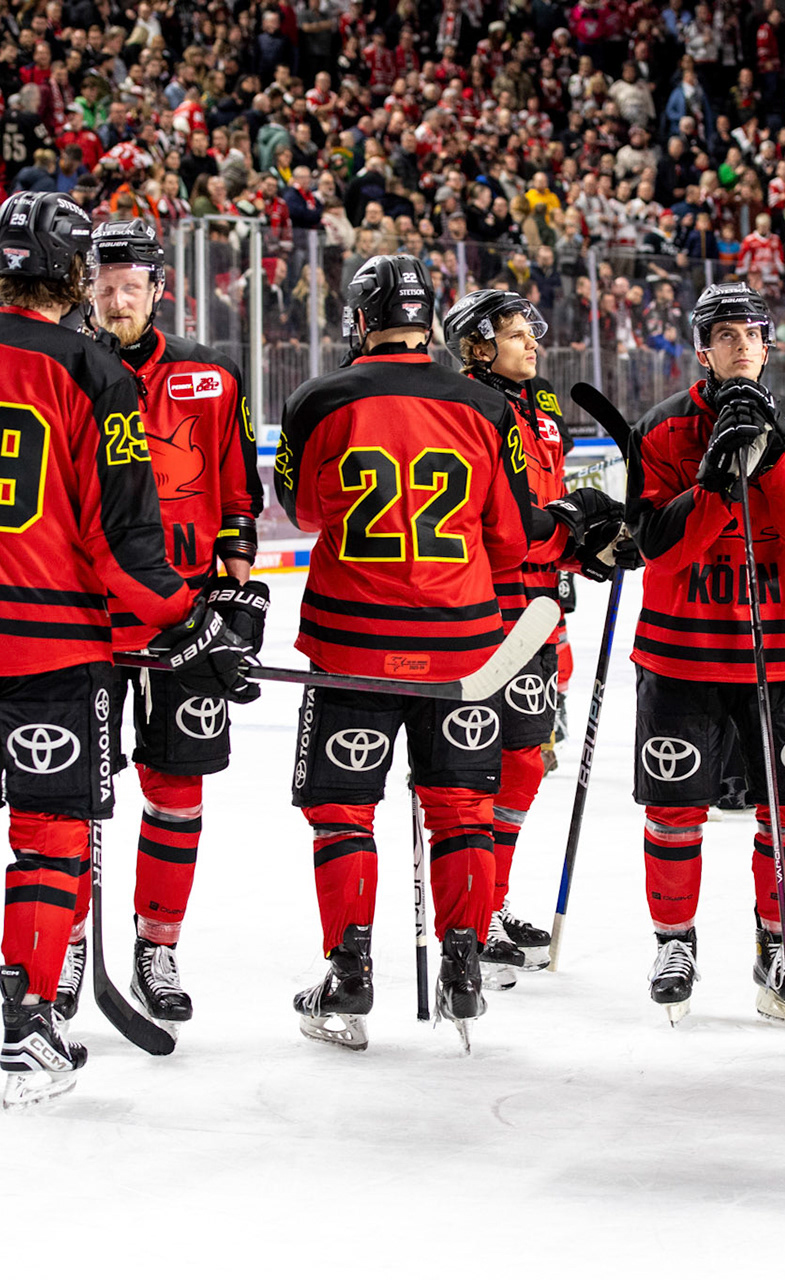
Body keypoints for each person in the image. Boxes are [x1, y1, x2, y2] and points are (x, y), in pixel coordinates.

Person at [0, 190, 242, 1108]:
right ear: (73, 273)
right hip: (52, 649)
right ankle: (29, 1024)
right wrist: (190, 620)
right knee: (47, 839)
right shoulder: (91, 371)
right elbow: (122, 544)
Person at [275, 254, 536, 1052]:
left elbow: (303, 509)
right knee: (461, 808)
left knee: (342, 809)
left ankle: (350, 972)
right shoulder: (488, 405)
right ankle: (462, 969)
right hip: (461, 648)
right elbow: (514, 534)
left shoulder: (318, 399)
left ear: (359, 319)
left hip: (350, 644)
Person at [48, 217, 267, 1031]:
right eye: (102, 289)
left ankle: (156, 945)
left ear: (157, 290)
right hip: (87, 616)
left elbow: (238, 492)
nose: (114, 301)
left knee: (177, 789)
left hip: (185, 615)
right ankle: (68, 945)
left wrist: (237, 585)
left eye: (129, 288)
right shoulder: (64, 368)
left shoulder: (211, 375)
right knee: (70, 793)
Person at [625, 282, 785, 1025]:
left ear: (769, 342)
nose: (742, 345)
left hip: (780, 654)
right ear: (701, 346)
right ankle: (673, 939)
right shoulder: (660, 432)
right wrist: (719, 476)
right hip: (681, 652)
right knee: (673, 808)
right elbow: (661, 546)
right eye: (724, 334)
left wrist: (774, 451)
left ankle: (779, 944)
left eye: (753, 332)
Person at [440, 288, 632, 988]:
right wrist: (569, 523)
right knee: (473, 772)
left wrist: (588, 547)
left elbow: (548, 506)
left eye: (532, 332)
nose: (533, 344)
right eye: (517, 335)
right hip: (482, 611)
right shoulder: (460, 405)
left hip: (541, 608)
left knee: (523, 764)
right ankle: (470, 917)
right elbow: (502, 518)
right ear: (479, 345)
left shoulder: (545, 406)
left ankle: (492, 904)